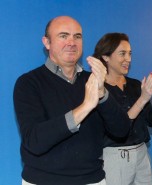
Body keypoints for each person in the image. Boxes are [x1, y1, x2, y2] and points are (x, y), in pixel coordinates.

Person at [13, 16, 131, 185]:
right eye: (63, 36)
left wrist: (102, 95)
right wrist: (85, 107)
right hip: (42, 181)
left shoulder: (94, 81)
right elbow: (34, 141)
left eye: (77, 36)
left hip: (92, 179)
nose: (72, 42)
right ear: (47, 42)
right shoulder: (28, 83)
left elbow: (121, 130)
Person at [92, 32, 152, 185]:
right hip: (115, 157)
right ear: (106, 57)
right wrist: (143, 98)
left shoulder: (135, 85)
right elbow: (115, 127)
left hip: (142, 153)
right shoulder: (98, 90)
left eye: (130, 54)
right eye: (122, 54)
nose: (128, 59)